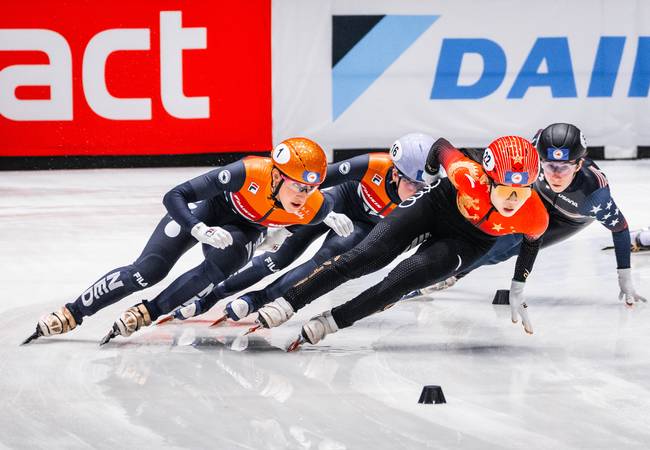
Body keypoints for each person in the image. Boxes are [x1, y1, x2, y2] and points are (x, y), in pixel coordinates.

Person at [24, 137, 349, 344]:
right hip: (203, 213)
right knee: (147, 271)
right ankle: (73, 312)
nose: (305, 195)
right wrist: (197, 228)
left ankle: (147, 312)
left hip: (243, 230)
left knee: (225, 263)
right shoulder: (249, 172)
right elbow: (176, 194)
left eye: (313, 188)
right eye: (299, 187)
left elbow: (299, 219)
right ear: (277, 176)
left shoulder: (317, 206)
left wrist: (273, 233)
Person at [253, 135, 550, 348]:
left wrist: (518, 286)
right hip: (437, 205)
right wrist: (433, 173)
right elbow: (441, 146)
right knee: (364, 256)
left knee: (401, 281)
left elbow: (531, 244)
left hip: (470, 241)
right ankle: (289, 302)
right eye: (506, 189)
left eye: (522, 191)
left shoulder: (535, 214)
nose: (514, 201)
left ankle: (331, 322)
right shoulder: (465, 173)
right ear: (487, 179)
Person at [165, 133, 435, 324]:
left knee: (323, 261)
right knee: (277, 258)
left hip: (361, 226)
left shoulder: (426, 197)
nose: (417, 192)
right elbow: (309, 178)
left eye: (424, 187)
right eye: (413, 184)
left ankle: (257, 299)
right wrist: (301, 215)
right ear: (396, 172)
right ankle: (209, 297)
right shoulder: (373, 165)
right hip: (336, 203)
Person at [411, 123, 646, 306]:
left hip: (567, 218)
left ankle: (449, 275)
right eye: (549, 166)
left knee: (506, 248)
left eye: (564, 167)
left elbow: (620, 229)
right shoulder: (536, 149)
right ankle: (437, 265)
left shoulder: (594, 197)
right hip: (534, 197)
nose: (555, 174)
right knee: (490, 231)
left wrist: (624, 279)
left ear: (578, 164)